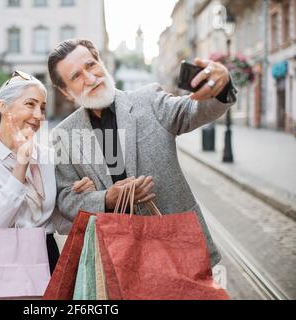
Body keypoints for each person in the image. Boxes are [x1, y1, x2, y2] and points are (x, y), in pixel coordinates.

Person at [48, 39, 238, 267]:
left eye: (91, 65)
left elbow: (193, 110)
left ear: (101, 62)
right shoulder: (62, 135)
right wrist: (106, 199)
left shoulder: (148, 100)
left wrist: (222, 86)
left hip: (178, 242)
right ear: (66, 91)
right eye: (76, 76)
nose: (90, 78)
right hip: (116, 256)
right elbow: (66, 198)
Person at [0, 71, 96, 274]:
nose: (38, 116)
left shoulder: (47, 157)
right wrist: (21, 165)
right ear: (3, 107)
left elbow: (58, 221)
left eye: (42, 108)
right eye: (30, 104)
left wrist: (82, 199)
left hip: (44, 258)